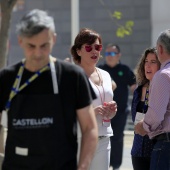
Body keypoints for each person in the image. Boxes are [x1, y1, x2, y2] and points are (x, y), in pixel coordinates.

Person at [0, 9, 98, 170]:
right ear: (20, 41)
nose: (38, 53)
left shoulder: (72, 76)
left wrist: (83, 166)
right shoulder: (6, 78)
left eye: (44, 45)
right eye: (31, 46)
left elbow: (89, 128)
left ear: (53, 39)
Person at [70, 28, 117, 170]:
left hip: (104, 138)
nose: (94, 51)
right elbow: (66, 111)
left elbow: (109, 109)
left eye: (98, 47)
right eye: (89, 47)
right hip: (80, 140)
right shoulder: (72, 76)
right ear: (78, 51)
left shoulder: (106, 75)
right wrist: (93, 111)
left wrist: (112, 110)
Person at [135, 29, 170, 170]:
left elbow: (156, 114)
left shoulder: (162, 75)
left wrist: (143, 127)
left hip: (165, 146)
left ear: (160, 49)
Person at [98, 43, 136, 170]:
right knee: (103, 137)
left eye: (113, 53)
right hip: (102, 111)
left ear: (119, 55)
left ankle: (116, 165)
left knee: (117, 138)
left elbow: (134, 86)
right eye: (108, 53)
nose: (110, 56)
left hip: (120, 112)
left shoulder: (124, 70)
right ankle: (105, 163)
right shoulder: (100, 70)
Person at [131, 47, 160, 170]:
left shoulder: (163, 89)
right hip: (138, 150)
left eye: (153, 62)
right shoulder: (138, 90)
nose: (148, 66)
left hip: (158, 150)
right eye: (146, 61)